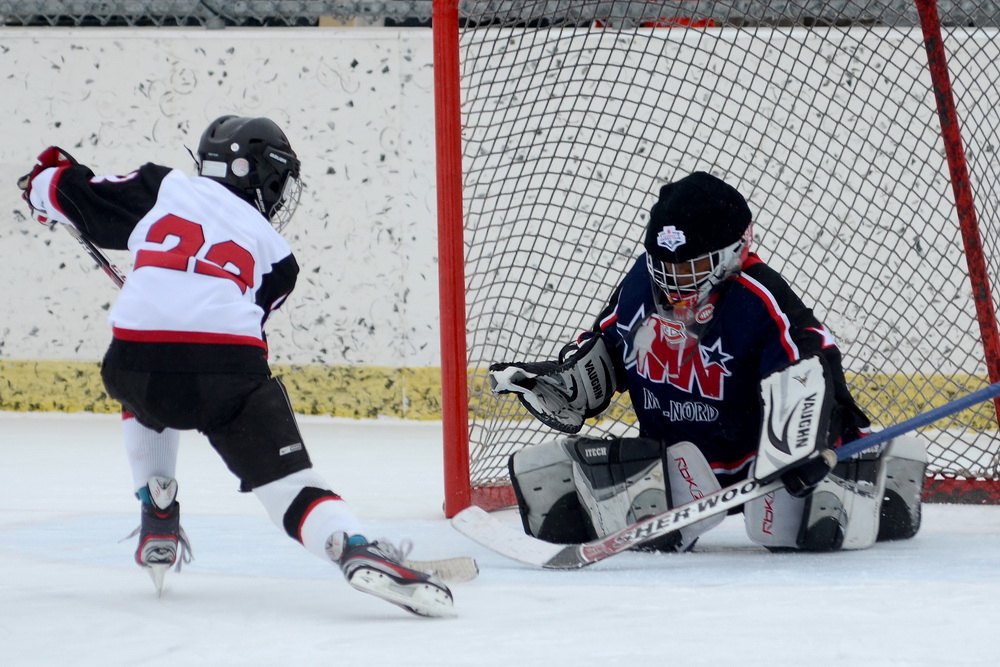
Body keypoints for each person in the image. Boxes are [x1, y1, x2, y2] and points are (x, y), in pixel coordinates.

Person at [16, 116, 454, 617]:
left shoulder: (164, 188)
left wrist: (45, 185)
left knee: (145, 390)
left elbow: (61, 188)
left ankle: (157, 500)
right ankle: (351, 545)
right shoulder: (281, 258)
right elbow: (246, 333)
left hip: (132, 364)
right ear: (264, 179)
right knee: (291, 489)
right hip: (224, 372)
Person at [490, 171, 927, 553]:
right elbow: (608, 345)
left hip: (766, 477)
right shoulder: (641, 281)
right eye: (664, 267)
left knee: (793, 529)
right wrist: (566, 382)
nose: (673, 284)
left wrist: (818, 438)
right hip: (682, 471)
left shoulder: (759, 298)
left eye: (690, 268)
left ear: (736, 250)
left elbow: (813, 365)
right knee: (544, 478)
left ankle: (871, 472)